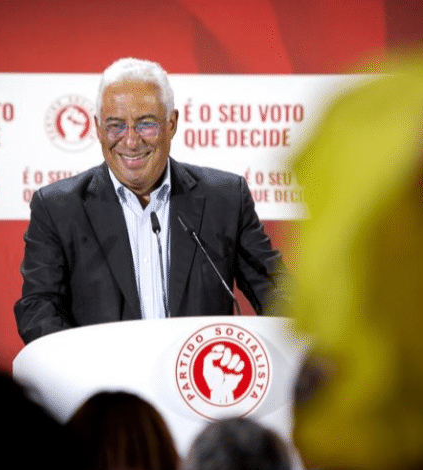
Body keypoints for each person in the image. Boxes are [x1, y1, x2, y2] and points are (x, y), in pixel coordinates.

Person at [15, 57, 284, 344]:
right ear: (98, 128)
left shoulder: (225, 199)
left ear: (172, 123)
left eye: (146, 125)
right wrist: (80, 363)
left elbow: (274, 289)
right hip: (102, 371)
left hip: (196, 370)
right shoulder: (58, 208)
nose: (131, 141)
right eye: (116, 126)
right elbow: (38, 308)